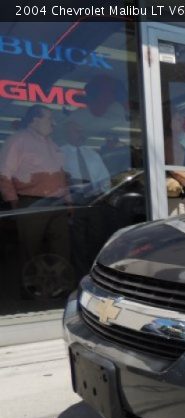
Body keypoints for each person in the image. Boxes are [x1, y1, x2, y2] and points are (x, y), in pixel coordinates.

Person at [0, 105, 73, 297]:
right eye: (49, 119)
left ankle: (58, 289)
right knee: (30, 248)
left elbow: (61, 175)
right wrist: (14, 202)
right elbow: (4, 173)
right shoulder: (18, 140)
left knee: (60, 249)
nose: (53, 123)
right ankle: (29, 291)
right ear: (34, 120)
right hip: (31, 201)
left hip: (57, 203)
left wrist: (68, 201)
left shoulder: (52, 144)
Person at [61, 120, 111, 203]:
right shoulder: (60, 154)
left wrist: (105, 195)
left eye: (81, 131)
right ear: (67, 134)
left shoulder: (93, 154)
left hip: (95, 198)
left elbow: (104, 177)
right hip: (72, 200)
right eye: (77, 131)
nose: (80, 134)